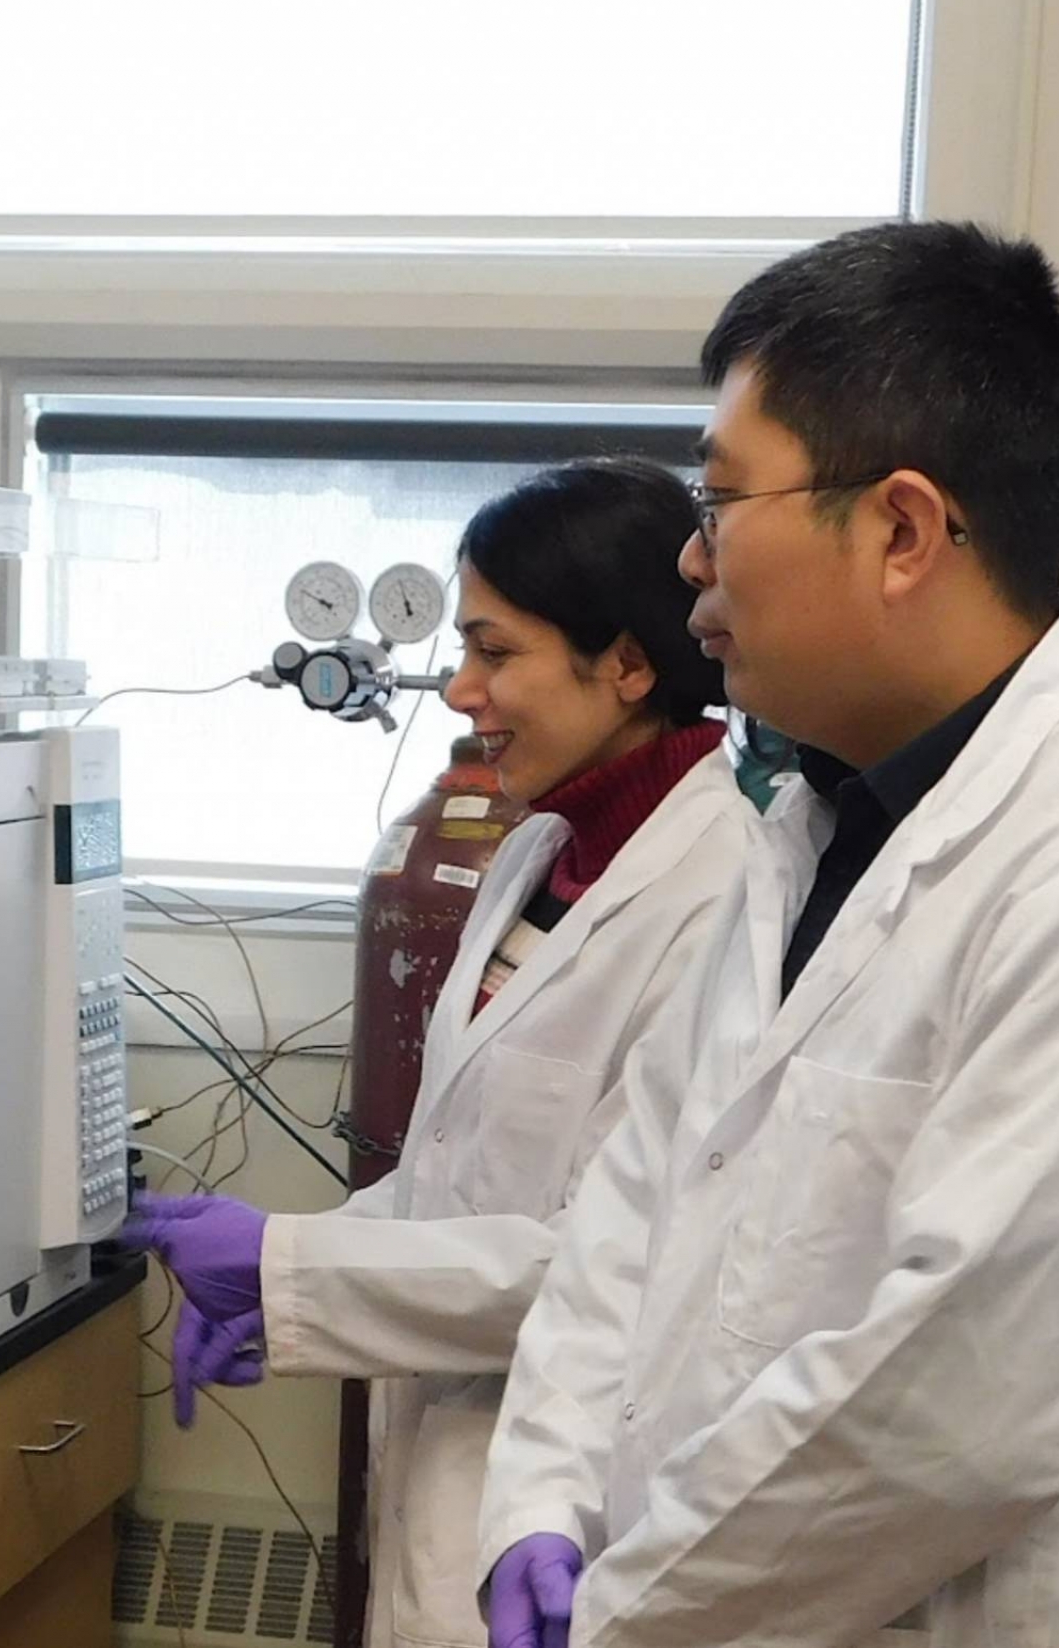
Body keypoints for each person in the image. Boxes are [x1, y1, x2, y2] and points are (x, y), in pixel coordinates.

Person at [477, 222, 1059, 1648]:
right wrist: (542, 1504)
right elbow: (632, 1209)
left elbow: (950, 1423)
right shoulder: (807, 818)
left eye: (722, 499)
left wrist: (619, 1610)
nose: (689, 556)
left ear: (905, 530)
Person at [128, 457, 755, 1648]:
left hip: (578, 1509)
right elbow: (459, 1173)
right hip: (449, 1466)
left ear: (626, 661)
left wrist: (288, 1269)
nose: (461, 689)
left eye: (495, 651)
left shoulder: (724, 887)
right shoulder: (539, 856)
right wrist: (282, 1273)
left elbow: (623, 1255)